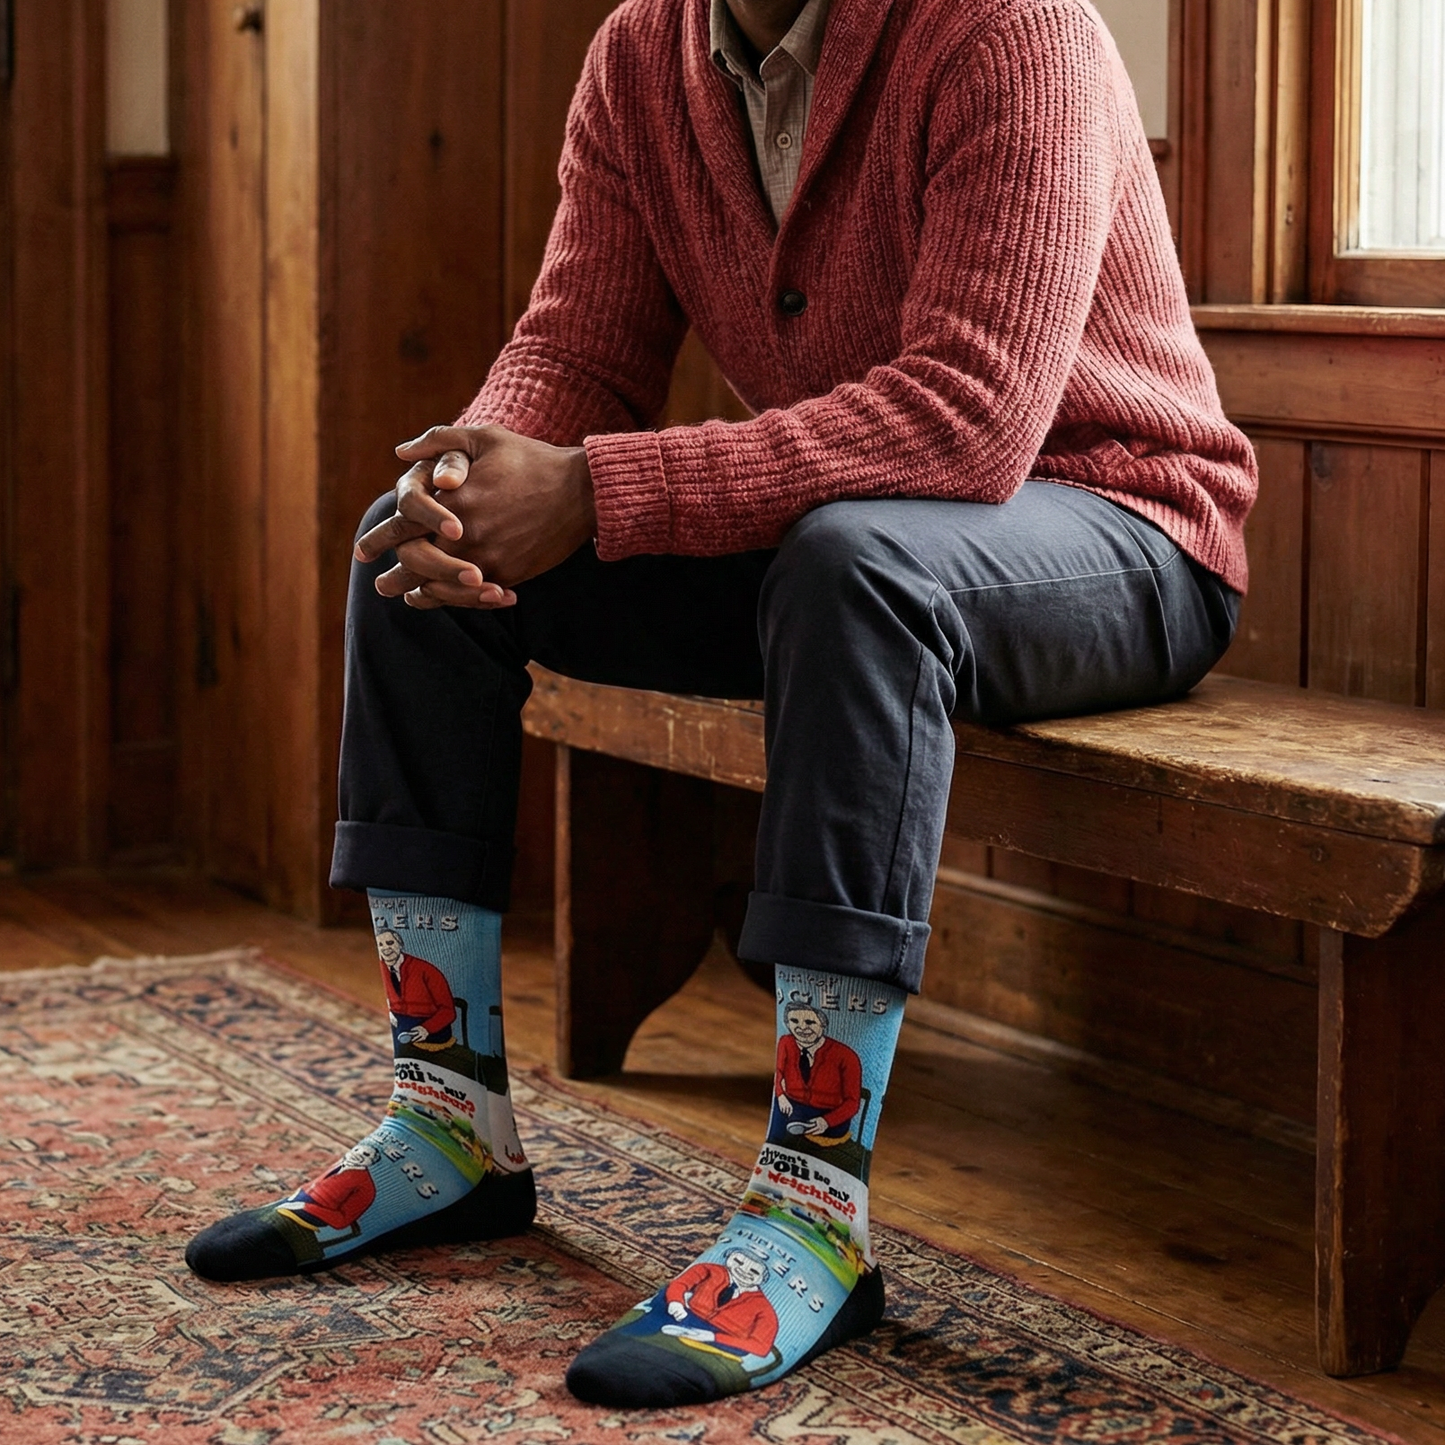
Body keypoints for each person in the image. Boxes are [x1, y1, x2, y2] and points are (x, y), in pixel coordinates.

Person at [185, 0, 1256, 1411]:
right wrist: (475, 486)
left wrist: (601, 492)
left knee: (854, 565)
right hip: (865, 538)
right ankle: (446, 1128)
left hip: (1124, 530)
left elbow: (969, 418)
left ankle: (816, 1215)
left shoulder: (1011, 29)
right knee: (410, 554)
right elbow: (578, 348)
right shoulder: (643, 53)